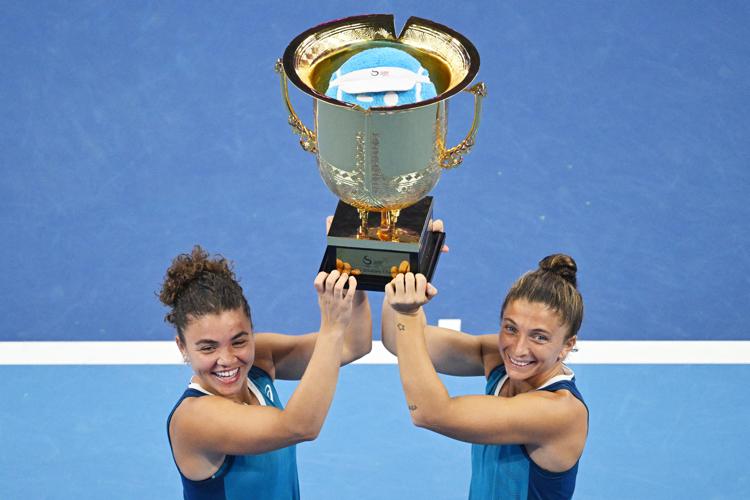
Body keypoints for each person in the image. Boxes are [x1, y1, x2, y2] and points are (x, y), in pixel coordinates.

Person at [159, 245, 370, 499]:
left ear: (252, 330)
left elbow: (354, 343)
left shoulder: (260, 359)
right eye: (208, 348)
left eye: (239, 341)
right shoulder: (195, 419)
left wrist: (354, 264)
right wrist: (332, 327)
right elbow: (300, 427)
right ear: (182, 346)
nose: (227, 360)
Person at [382, 246, 588, 499]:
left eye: (539, 337)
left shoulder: (559, 411)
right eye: (511, 329)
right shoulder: (498, 358)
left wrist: (409, 313)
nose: (519, 349)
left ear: (567, 345)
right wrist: (406, 262)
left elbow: (430, 413)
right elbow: (397, 338)